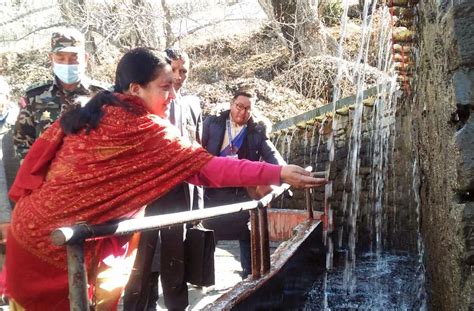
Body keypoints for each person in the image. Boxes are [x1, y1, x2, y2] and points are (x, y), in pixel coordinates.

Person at [5, 47, 326, 310]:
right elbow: (208, 168)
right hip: (56, 251)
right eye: (165, 86)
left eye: (175, 84)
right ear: (135, 89)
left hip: (31, 233)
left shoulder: (95, 110)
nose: (173, 93)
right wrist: (279, 172)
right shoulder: (145, 128)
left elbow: (36, 161)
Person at [124, 47, 203, 311]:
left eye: (185, 71)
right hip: (145, 195)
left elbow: (199, 152)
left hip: (178, 195)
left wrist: (198, 206)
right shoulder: (141, 104)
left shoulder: (192, 105)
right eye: (175, 69)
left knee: (175, 259)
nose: (180, 76)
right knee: (141, 261)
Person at [202, 88, 286, 279]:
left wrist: (284, 172)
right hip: (213, 189)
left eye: (248, 109)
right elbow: (198, 149)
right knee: (209, 232)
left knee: (245, 232)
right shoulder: (212, 123)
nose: (243, 112)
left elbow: (272, 154)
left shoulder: (256, 130)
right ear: (231, 104)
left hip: (241, 190)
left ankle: (250, 275)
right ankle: (202, 277)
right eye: (239, 106)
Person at [13, 28, 109, 160]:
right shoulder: (34, 97)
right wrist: (36, 174)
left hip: (92, 174)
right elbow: (22, 140)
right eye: (61, 58)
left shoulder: (103, 96)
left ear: (85, 58)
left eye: (74, 58)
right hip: (48, 176)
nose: (67, 63)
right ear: (51, 58)